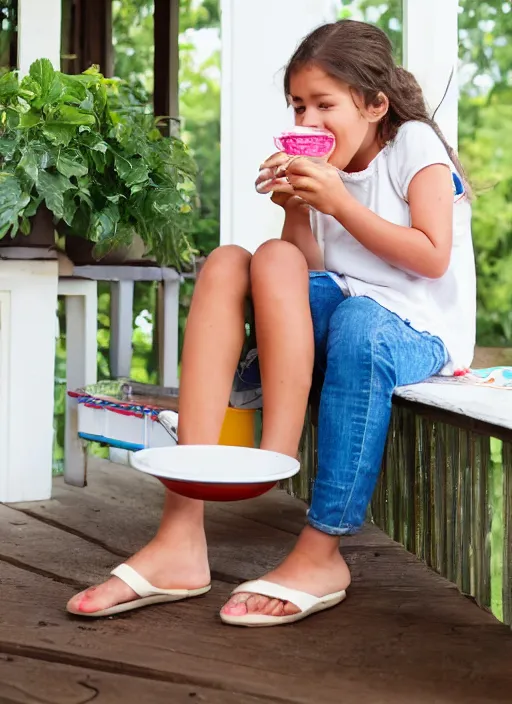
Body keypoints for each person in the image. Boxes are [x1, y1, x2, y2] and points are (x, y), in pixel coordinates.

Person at [67, 19, 475, 627]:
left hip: (416, 327)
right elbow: (305, 272)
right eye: (297, 106)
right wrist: (299, 212)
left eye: (324, 105)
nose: (307, 123)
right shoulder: (325, 167)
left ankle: (320, 551)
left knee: (361, 322)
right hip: (343, 305)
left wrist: (336, 199)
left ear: (374, 104)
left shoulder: (413, 144)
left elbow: (431, 254)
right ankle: (182, 532)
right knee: (237, 261)